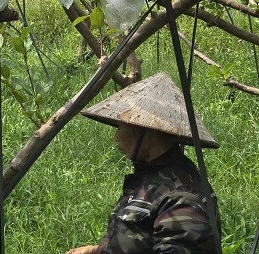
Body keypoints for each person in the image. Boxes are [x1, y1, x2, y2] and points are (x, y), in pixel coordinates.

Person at [67, 72, 221, 254]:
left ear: (148, 132)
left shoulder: (182, 198)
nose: (116, 137)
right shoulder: (151, 177)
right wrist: (97, 251)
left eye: (121, 126)